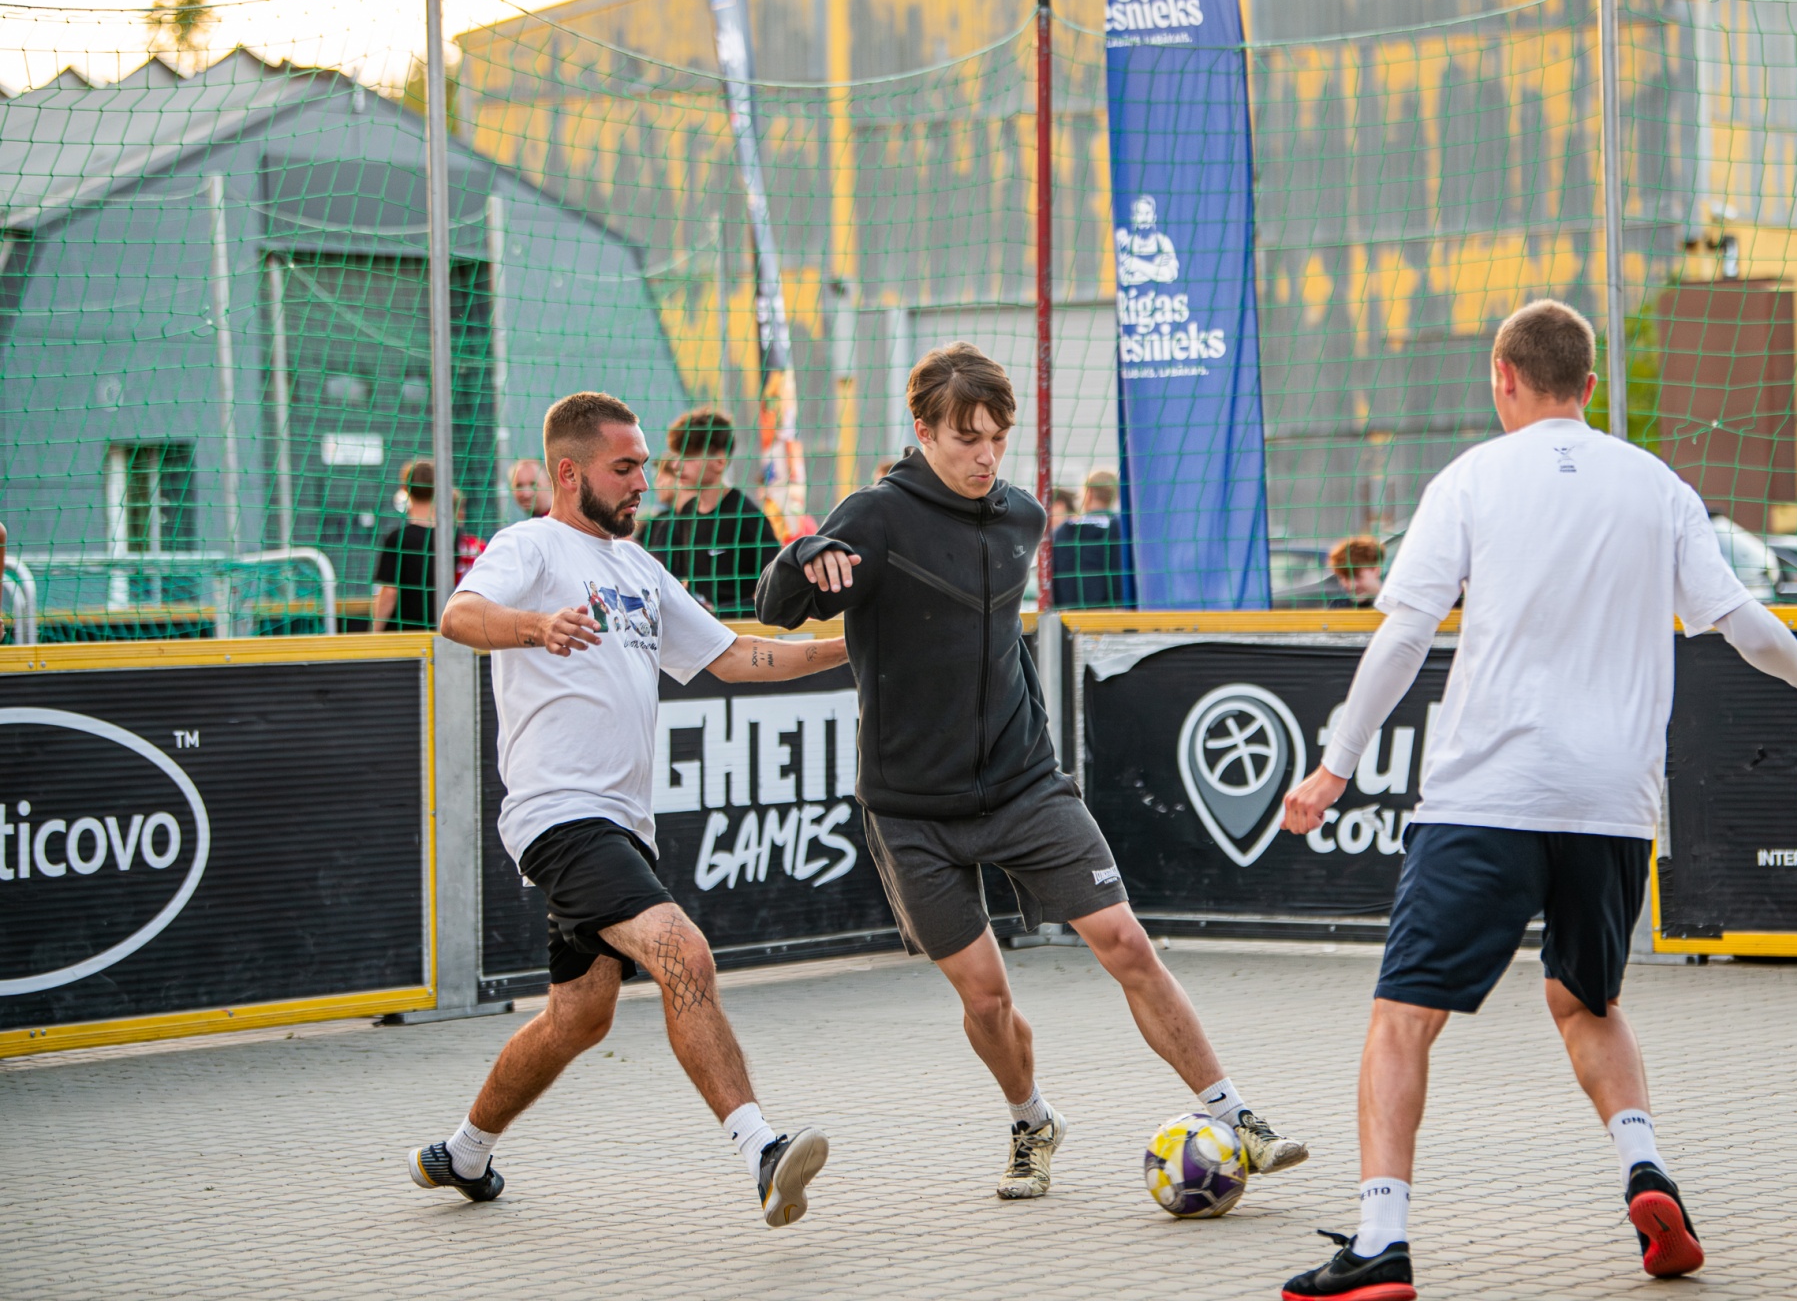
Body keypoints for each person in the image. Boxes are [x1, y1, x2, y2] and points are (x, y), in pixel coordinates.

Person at [1275, 300, 1797, 1298]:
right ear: (1588, 386)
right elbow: (1737, 618)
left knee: (1403, 1018)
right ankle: (1646, 1168)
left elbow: (1404, 635)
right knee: (1588, 1002)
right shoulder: (1657, 485)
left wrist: (1336, 765)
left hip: (1487, 793)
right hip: (1612, 803)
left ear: (1502, 376)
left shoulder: (1472, 478)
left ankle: (1381, 1242)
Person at [756, 342, 1307, 1201]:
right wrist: (801, 558)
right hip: (912, 809)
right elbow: (776, 606)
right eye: (967, 438)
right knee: (984, 997)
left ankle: (1237, 1117)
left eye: (998, 439)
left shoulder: (1021, 517)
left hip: (1024, 784)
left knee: (1127, 943)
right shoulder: (874, 517)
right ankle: (1031, 1121)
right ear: (924, 431)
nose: (985, 456)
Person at [408, 391, 849, 1227]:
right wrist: (536, 627)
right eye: (626, 466)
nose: (645, 479)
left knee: (578, 1017)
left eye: (646, 464)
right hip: (557, 816)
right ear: (570, 474)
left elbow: (735, 656)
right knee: (684, 953)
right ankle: (762, 1151)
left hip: (621, 826)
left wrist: (853, 645)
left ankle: (463, 1154)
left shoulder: (640, 567)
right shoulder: (530, 545)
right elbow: (458, 615)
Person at [643, 406, 782, 619]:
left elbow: (776, 590)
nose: (677, 465)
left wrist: (720, 613)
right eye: (677, 456)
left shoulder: (747, 517)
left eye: (689, 457)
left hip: (741, 630)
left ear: (719, 461)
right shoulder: (686, 513)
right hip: (697, 630)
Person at [371, 460, 475, 632]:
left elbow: (389, 592)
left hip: (404, 633)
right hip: (443, 628)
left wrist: (375, 631)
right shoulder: (454, 535)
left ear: (405, 488)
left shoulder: (397, 539)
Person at [1050, 468, 1134, 608]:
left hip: (1069, 615)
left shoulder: (1064, 530)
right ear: (1116, 496)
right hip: (1114, 613)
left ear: (1088, 494)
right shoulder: (1124, 528)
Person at [1326, 534, 1385, 608]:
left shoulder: (1395, 605)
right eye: (1344, 578)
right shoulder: (1338, 607)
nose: (1352, 586)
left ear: (1376, 570)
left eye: (1357, 577)